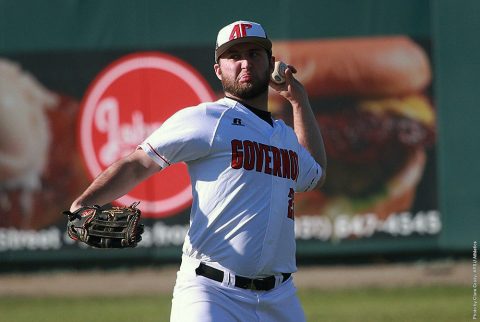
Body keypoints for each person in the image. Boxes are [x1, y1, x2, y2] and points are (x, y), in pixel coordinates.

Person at [70, 20, 327, 322]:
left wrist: (299, 100)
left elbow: (315, 175)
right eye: (234, 56)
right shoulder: (207, 118)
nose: (245, 62)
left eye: (255, 53)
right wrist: (83, 203)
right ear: (219, 70)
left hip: (279, 297)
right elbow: (139, 162)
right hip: (212, 292)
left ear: (270, 62)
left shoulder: (284, 136)